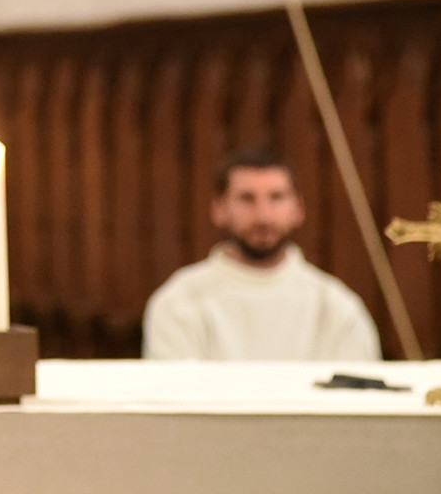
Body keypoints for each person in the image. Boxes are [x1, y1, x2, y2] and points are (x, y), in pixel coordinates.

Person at [142, 147, 381, 361]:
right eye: (247, 199)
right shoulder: (179, 301)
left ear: (298, 209)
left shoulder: (336, 307)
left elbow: (355, 401)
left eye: (276, 198)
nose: (263, 216)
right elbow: (178, 400)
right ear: (219, 209)